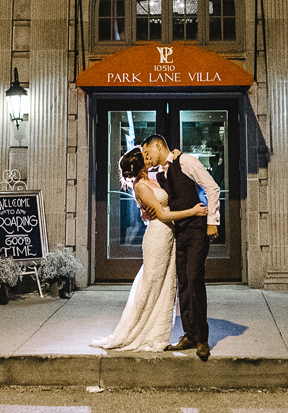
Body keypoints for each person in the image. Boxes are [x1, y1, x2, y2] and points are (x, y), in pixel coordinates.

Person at [90, 148, 208, 352]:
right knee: (152, 284)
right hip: (158, 237)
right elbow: (162, 216)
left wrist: (176, 154)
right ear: (140, 166)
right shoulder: (141, 186)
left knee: (164, 286)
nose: (149, 158)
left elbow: (169, 176)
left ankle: (157, 329)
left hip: (169, 236)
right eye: (145, 157)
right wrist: (193, 211)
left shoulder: (152, 176)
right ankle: (139, 330)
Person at [143, 132, 221, 360]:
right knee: (183, 282)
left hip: (197, 228)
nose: (148, 158)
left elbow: (212, 187)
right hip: (180, 231)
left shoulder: (185, 161)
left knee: (195, 279)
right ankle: (189, 334)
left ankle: (202, 339)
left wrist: (211, 222)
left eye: (148, 153)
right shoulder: (162, 173)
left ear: (159, 146)